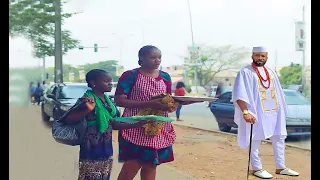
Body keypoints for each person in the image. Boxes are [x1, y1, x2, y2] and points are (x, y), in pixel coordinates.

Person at [115, 45, 199, 180]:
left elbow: (167, 100)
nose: (157, 60)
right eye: (153, 57)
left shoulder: (165, 77)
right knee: (132, 164)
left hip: (157, 127)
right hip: (136, 126)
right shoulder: (130, 75)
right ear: (141, 58)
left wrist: (181, 102)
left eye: (159, 57)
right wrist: (149, 103)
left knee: (151, 165)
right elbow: (120, 101)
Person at [62, 69, 149, 180]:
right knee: (90, 177)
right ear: (94, 83)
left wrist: (136, 124)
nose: (110, 84)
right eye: (106, 81)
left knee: (104, 176)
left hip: (106, 147)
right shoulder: (86, 100)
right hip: (91, 147)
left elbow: (114, 124)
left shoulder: (108, 101)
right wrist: (86, 109)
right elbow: (69, 120)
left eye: (111, 81)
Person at [233, 46, 299, 179]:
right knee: (255, 138)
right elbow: (239, 95)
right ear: (252, 56)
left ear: (267, 57)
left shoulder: (271, 72)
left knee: (279, 137)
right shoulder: (245, 72)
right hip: (257, 112)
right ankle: (257, 168)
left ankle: (281, 167)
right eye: (257, 55)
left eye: (263, 56)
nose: (260, 58)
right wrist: (245, 112)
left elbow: (278, 92)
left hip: (275, 112)